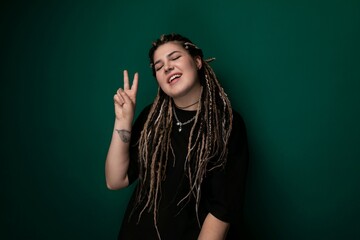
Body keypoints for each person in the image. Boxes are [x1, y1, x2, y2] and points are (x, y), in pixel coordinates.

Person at [105, 33, 249, 240]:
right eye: (158, 66)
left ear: (197, 61)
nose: (167, 67)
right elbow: (115, 180)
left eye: (175, 58)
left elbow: (222, 210)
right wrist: (123, 121)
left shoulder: (228, 124)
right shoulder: (151, 118)